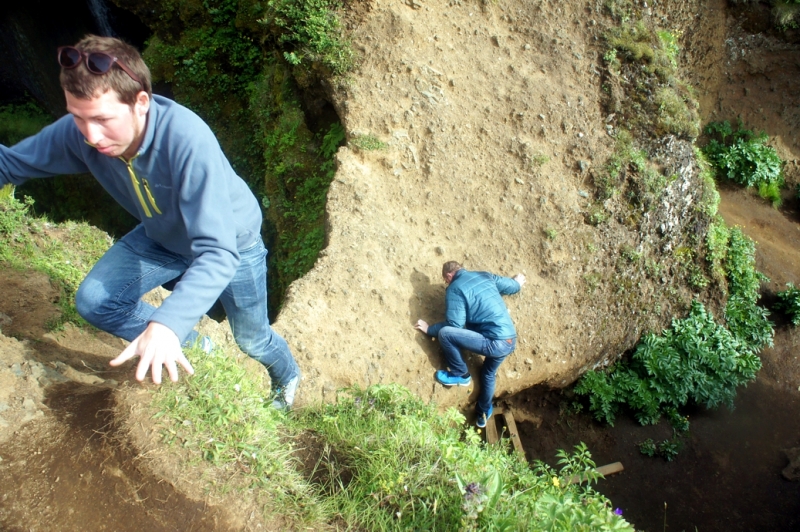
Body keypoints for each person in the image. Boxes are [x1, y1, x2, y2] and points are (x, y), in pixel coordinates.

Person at [0, 35, 301, 408]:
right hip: (162, 237)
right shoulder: (83, 135)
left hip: (232, 244)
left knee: (252, 339)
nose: (91, 136)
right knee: (96, 300)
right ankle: (197, 347)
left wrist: (165, 323)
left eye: (102, 120)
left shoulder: (185, 140)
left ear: (141, 102)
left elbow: (218, 251)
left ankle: (286, 379)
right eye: (77, 118)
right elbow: (10, 163)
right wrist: (171, 329)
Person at [415, 261, 526, 427]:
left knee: (445, 334)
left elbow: (455, 325)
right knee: (488, 373)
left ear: (449, 275)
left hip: (494, 342)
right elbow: (511, 286)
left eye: (446, 280)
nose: (446, 283)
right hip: (509, 340)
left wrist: (430, 329)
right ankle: (483, 411)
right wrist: (517, 282)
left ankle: (460, 374)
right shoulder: (484, 275)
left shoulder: (455, 288)